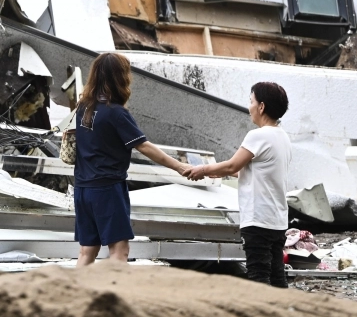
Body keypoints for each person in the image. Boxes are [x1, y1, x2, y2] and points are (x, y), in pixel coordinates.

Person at [73, 52, 192, 266]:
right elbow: (144, 146)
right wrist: (179, 166)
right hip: (107, 189)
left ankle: (74, 297)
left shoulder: (83, 108)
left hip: (83, 188)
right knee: (119, 252)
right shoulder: (116, 113)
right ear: (120, 77)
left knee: (86, 252)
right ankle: (116, 297)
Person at [189, 81, 291, 287]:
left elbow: (231, 166)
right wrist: (215, 171)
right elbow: (245, 171)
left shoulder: (258, 135)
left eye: (251, 101)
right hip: (277, 220)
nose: (249, 107)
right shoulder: (283, 136)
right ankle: (284, 314)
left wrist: (203, 169)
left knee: (258, 275)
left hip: (258, 220)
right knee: (276, 276)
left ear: (261, 107)